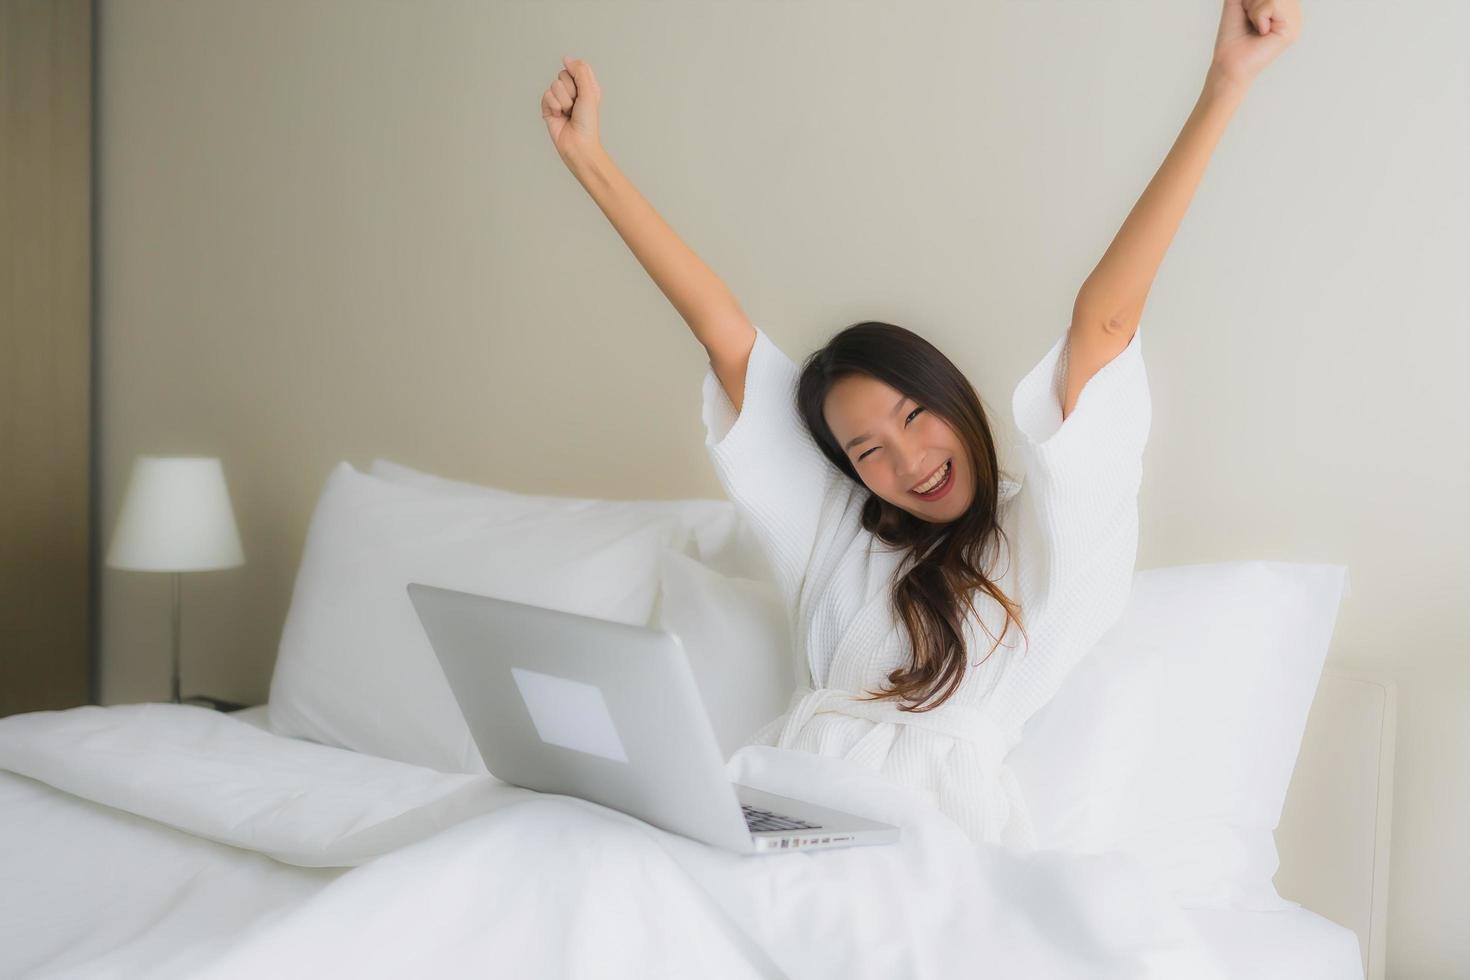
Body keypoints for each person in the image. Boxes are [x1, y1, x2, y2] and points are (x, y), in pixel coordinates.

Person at [539, 0, 1300, 852]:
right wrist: (589, 159)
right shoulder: (836, 537)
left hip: (928, 840)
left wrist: (1224, 85)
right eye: (867, 451)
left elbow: (1104, 325)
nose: (908, 461)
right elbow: (724, 333)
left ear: (955, 396)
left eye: (914, 415)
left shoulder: (1051, 535)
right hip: (771, 818)